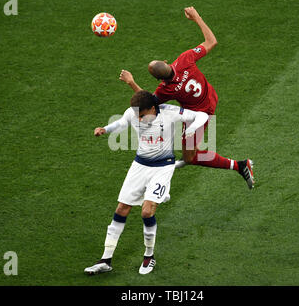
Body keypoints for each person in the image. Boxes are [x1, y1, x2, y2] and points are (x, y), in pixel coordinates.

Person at [119, 6, 255, 189]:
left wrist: (131, 82)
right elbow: (211, 41)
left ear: (159, 79)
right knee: (187, 150)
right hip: (211, 96)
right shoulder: (185, 59)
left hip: (198, 115)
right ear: (166, 62)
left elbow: (147, 103)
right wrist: (197, 17)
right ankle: (193, 156)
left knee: (191, 157)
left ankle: (240, 165)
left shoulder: (166, 90)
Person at [84, 90, 209, 275]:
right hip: (139, 166)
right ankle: (105, 260)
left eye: (142, 116)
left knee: (146, 211)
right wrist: (105, 129)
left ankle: (149, 256)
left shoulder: (169, 112)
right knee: (121, 209)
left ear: (152, 108)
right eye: (137, 116)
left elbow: (202, 115)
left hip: (162, 167)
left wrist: (190, 129)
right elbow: (121, 122)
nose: (139, 120)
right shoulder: (133, 112)